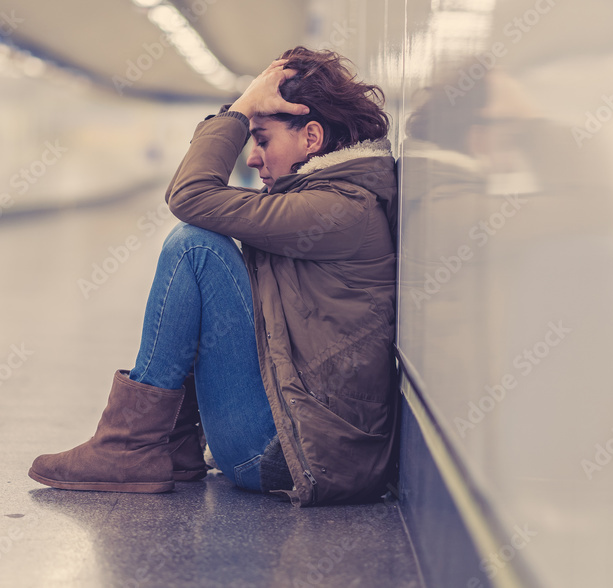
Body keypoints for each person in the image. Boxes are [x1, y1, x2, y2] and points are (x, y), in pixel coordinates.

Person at [30, 47, 398, 506]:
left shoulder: (338, 209)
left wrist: (240, 110)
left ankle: (130, 445)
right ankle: (169, 445)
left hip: (293, 454)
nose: (253, 160)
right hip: (307, 438)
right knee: (207, 249)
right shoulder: (335, 199)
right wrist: (243, 115)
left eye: (262, 140)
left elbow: (191, 195)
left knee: (196, 245)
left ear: (311, 138)